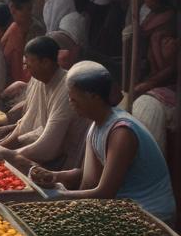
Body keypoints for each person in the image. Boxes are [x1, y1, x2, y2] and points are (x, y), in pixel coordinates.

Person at [29, 62, 175, 222]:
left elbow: (105, 193)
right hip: (123, 207)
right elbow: (89, 178)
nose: (70, 103)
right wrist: (55, 176)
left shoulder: (121, 133)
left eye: (74, 99)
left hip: (149, 213)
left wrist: (58, 196)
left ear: (94, 97)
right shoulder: (96, 126)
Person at [0, 36, 89, 172]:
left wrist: (9, 153)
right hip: (45, 149)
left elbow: (49, 145)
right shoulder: (38, 79)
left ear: (45, 63)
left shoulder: (66, 88)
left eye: (28, 65)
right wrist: (1, 145)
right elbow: (28, 121)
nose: (26, 69)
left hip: (66, 159)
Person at [130, 0, 177, 154]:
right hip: (151, 71)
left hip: (165, 77)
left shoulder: (169, 20)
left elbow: (172, 67)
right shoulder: (151, 14)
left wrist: (150, 83)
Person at [2, 0, 44, 85]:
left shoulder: (35, 29)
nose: (30, 13)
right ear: (12, 9)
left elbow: (34, 63)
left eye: (30, 9)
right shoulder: (13, 27)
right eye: (27, 9)